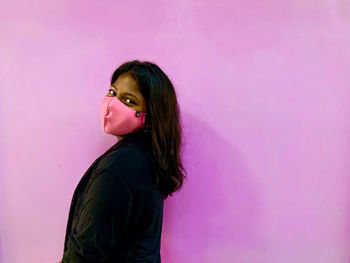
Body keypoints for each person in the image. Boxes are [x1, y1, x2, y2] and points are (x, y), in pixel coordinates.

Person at [59, 60, 187, 263]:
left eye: (129, 101)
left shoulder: (120, 167)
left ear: (151, 116)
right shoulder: (144, 159)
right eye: (112, 92)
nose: (112, 103)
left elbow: (85, 253)